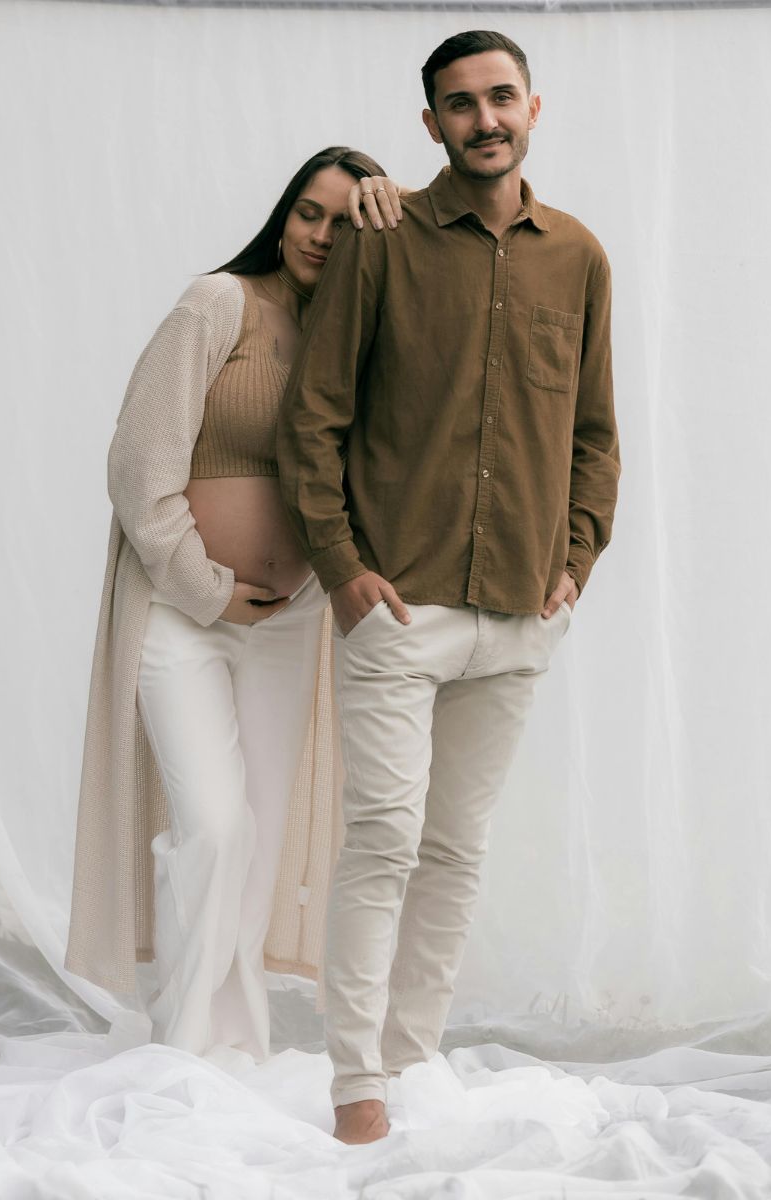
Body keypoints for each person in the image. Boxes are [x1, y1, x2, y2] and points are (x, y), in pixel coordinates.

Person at [277, 31, 621, 1143]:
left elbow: (597, 432)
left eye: (501, 98)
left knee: (457, 851)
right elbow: (313, 417)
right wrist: (341, 569)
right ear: (430, 125)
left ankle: (413, 1058)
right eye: (460, 105)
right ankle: (354, 1087)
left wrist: (576, 557)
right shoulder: (382, 241)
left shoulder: (580, 257)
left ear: (534, 107)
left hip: (521, 612)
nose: (485, 119)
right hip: (399, 604)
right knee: (383, 838)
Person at [63, 148, 403, 1064]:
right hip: (184, 612)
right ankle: (181, 1051)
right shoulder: (218, 305)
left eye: (346, 221)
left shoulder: (359, 341)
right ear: (282, 215)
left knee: (253, 838)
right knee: (212, 827)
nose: (323, 236)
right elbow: (137, 471)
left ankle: (236, 1047)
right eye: (309, 213)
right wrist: (213, 591)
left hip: (290, 624)